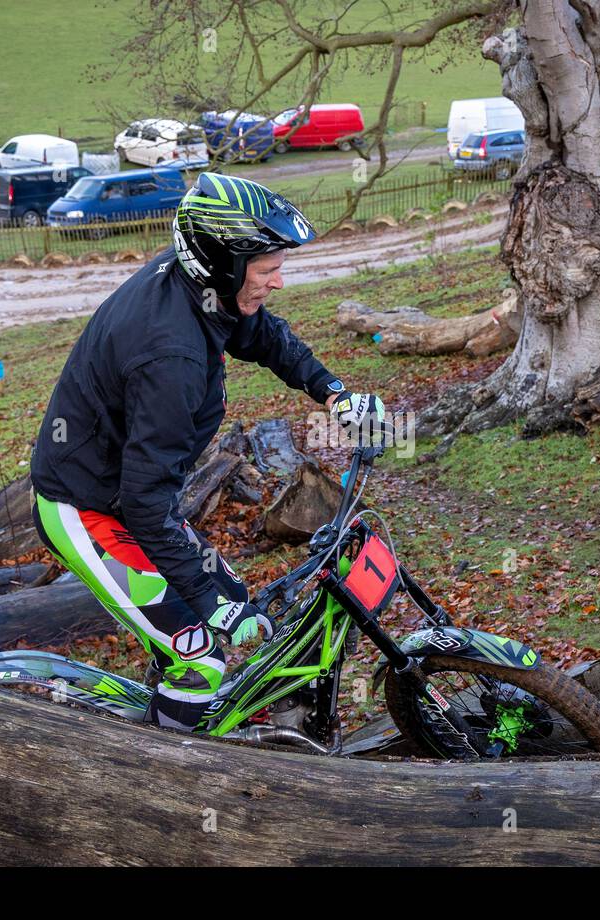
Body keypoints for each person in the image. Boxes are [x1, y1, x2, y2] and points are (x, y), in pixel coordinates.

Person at [28, 172, 385, 730]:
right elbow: (146, 499)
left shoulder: (203, 291)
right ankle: (168, 775)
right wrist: (206, 603)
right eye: (269, 271)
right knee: (202, 656)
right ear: (223, 264)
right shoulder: (172, 358)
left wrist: (333, 393)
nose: (279, 282)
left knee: (231, 594)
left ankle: (166, 698)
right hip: (87, 507)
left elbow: (262, 334)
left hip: (129, 498)